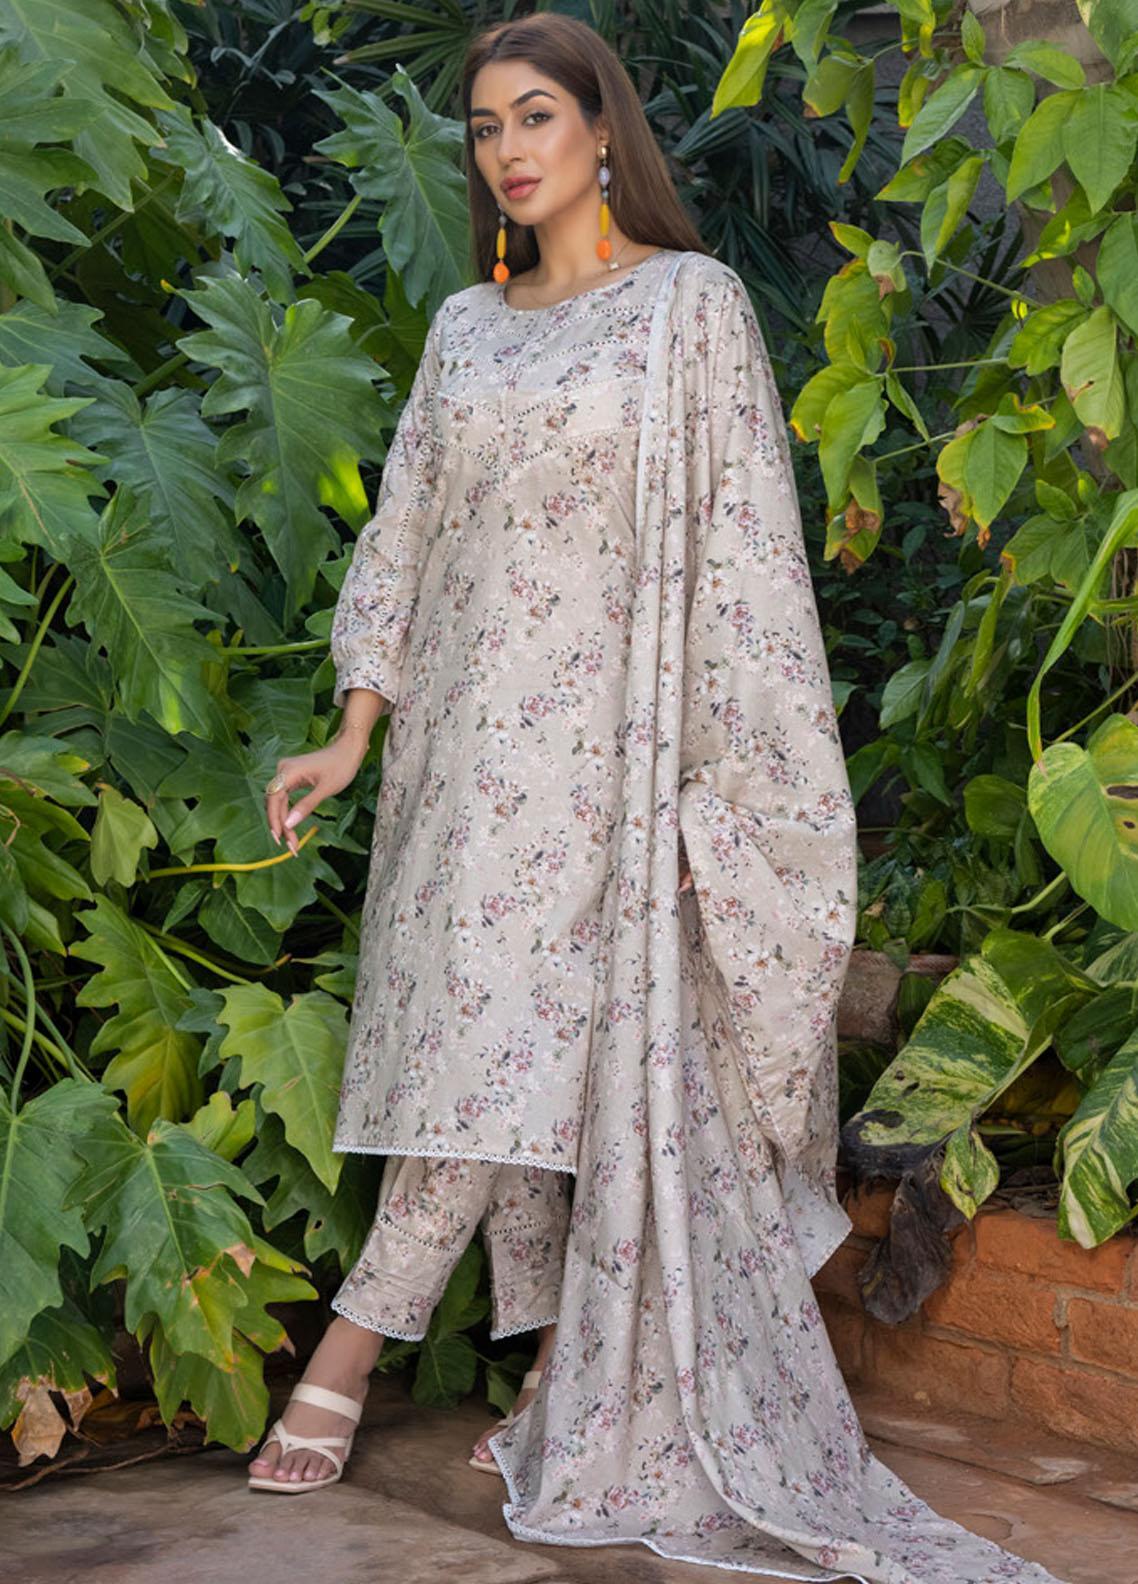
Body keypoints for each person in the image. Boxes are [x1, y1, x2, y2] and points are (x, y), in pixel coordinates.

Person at [251, 13, 1069, 1583]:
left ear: (599, 128)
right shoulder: (462, 329)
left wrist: (727, 787)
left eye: (535, 115)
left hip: (615, 758)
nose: (508, 150)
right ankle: (567, 1369)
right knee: (495, 1045)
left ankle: (348, 1349)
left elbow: (747, 552)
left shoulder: (686, 308)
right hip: (459, 763)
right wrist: (354, 732)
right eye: (485, 125)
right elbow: (404, 532)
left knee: (527, 1044)